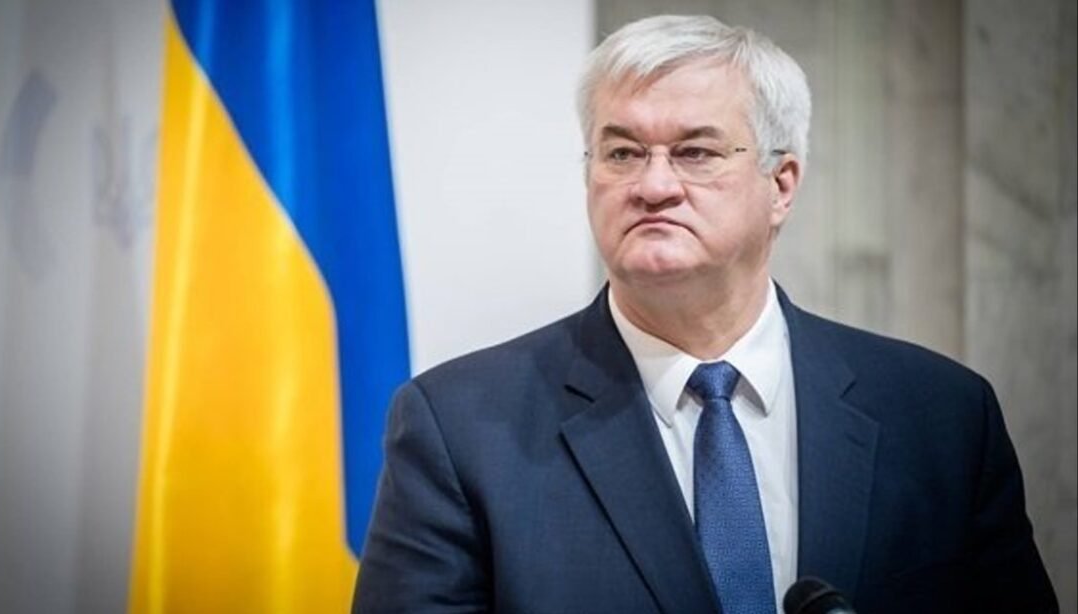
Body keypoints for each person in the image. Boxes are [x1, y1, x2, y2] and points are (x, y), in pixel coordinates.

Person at [352, 14, 1057, 614]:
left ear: (781, 184)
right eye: (622, 151)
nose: (653, 185)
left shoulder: (941, 416)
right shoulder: (461, 427)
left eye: (695, 152)